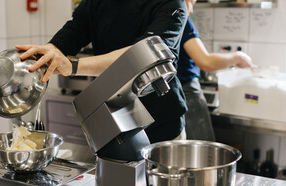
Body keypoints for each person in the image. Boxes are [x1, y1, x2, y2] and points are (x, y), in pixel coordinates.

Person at [16, 0, 189, 143]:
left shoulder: (172, 4)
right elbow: (71, 34)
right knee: (116, 182)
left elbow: (143, 54)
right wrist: (47, 53)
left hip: (162, 122)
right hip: (113, 119)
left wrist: (73, 66)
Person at [178, 0, 253, 141]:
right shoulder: (180, 19)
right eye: (191, 2)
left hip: (165, 96)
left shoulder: (153, 18)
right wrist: (237, 57)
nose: (192, 10)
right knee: (202, 157)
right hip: (187, 95)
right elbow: (206, 62)